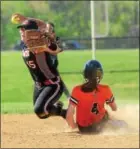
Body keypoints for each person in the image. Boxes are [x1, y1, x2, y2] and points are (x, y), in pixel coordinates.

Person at [17, 19, 67, 119]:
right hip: (38, 84)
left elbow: (59, 48)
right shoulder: (24, 43)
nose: (22, 32)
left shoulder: (42, 43)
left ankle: (68, 112)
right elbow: (32, 23)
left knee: (40, 110)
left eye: (24, 29)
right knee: (42, 114)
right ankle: (63, 112)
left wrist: (48, 45)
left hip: (52, 83)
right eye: (21, 29)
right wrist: (23, 18)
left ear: (33, 32)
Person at [66, 60, 117, 133]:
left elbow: (69, 116)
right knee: (107, 115)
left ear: (85, 74)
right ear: (100, 74)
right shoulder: (105, 89)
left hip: (83, 129)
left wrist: (74, 127)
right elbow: (114, 108)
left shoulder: (76, 90)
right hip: (99, 127)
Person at [46, 22, 70, 98]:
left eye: (50, 28)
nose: (48, 29)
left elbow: (60, 48)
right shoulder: (43, 37)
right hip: (44, 64)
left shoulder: (56, 38)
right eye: (47, 28)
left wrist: (54, 42)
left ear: (53, 30)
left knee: (58, 81)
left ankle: (68, 96)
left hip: (53, 63)